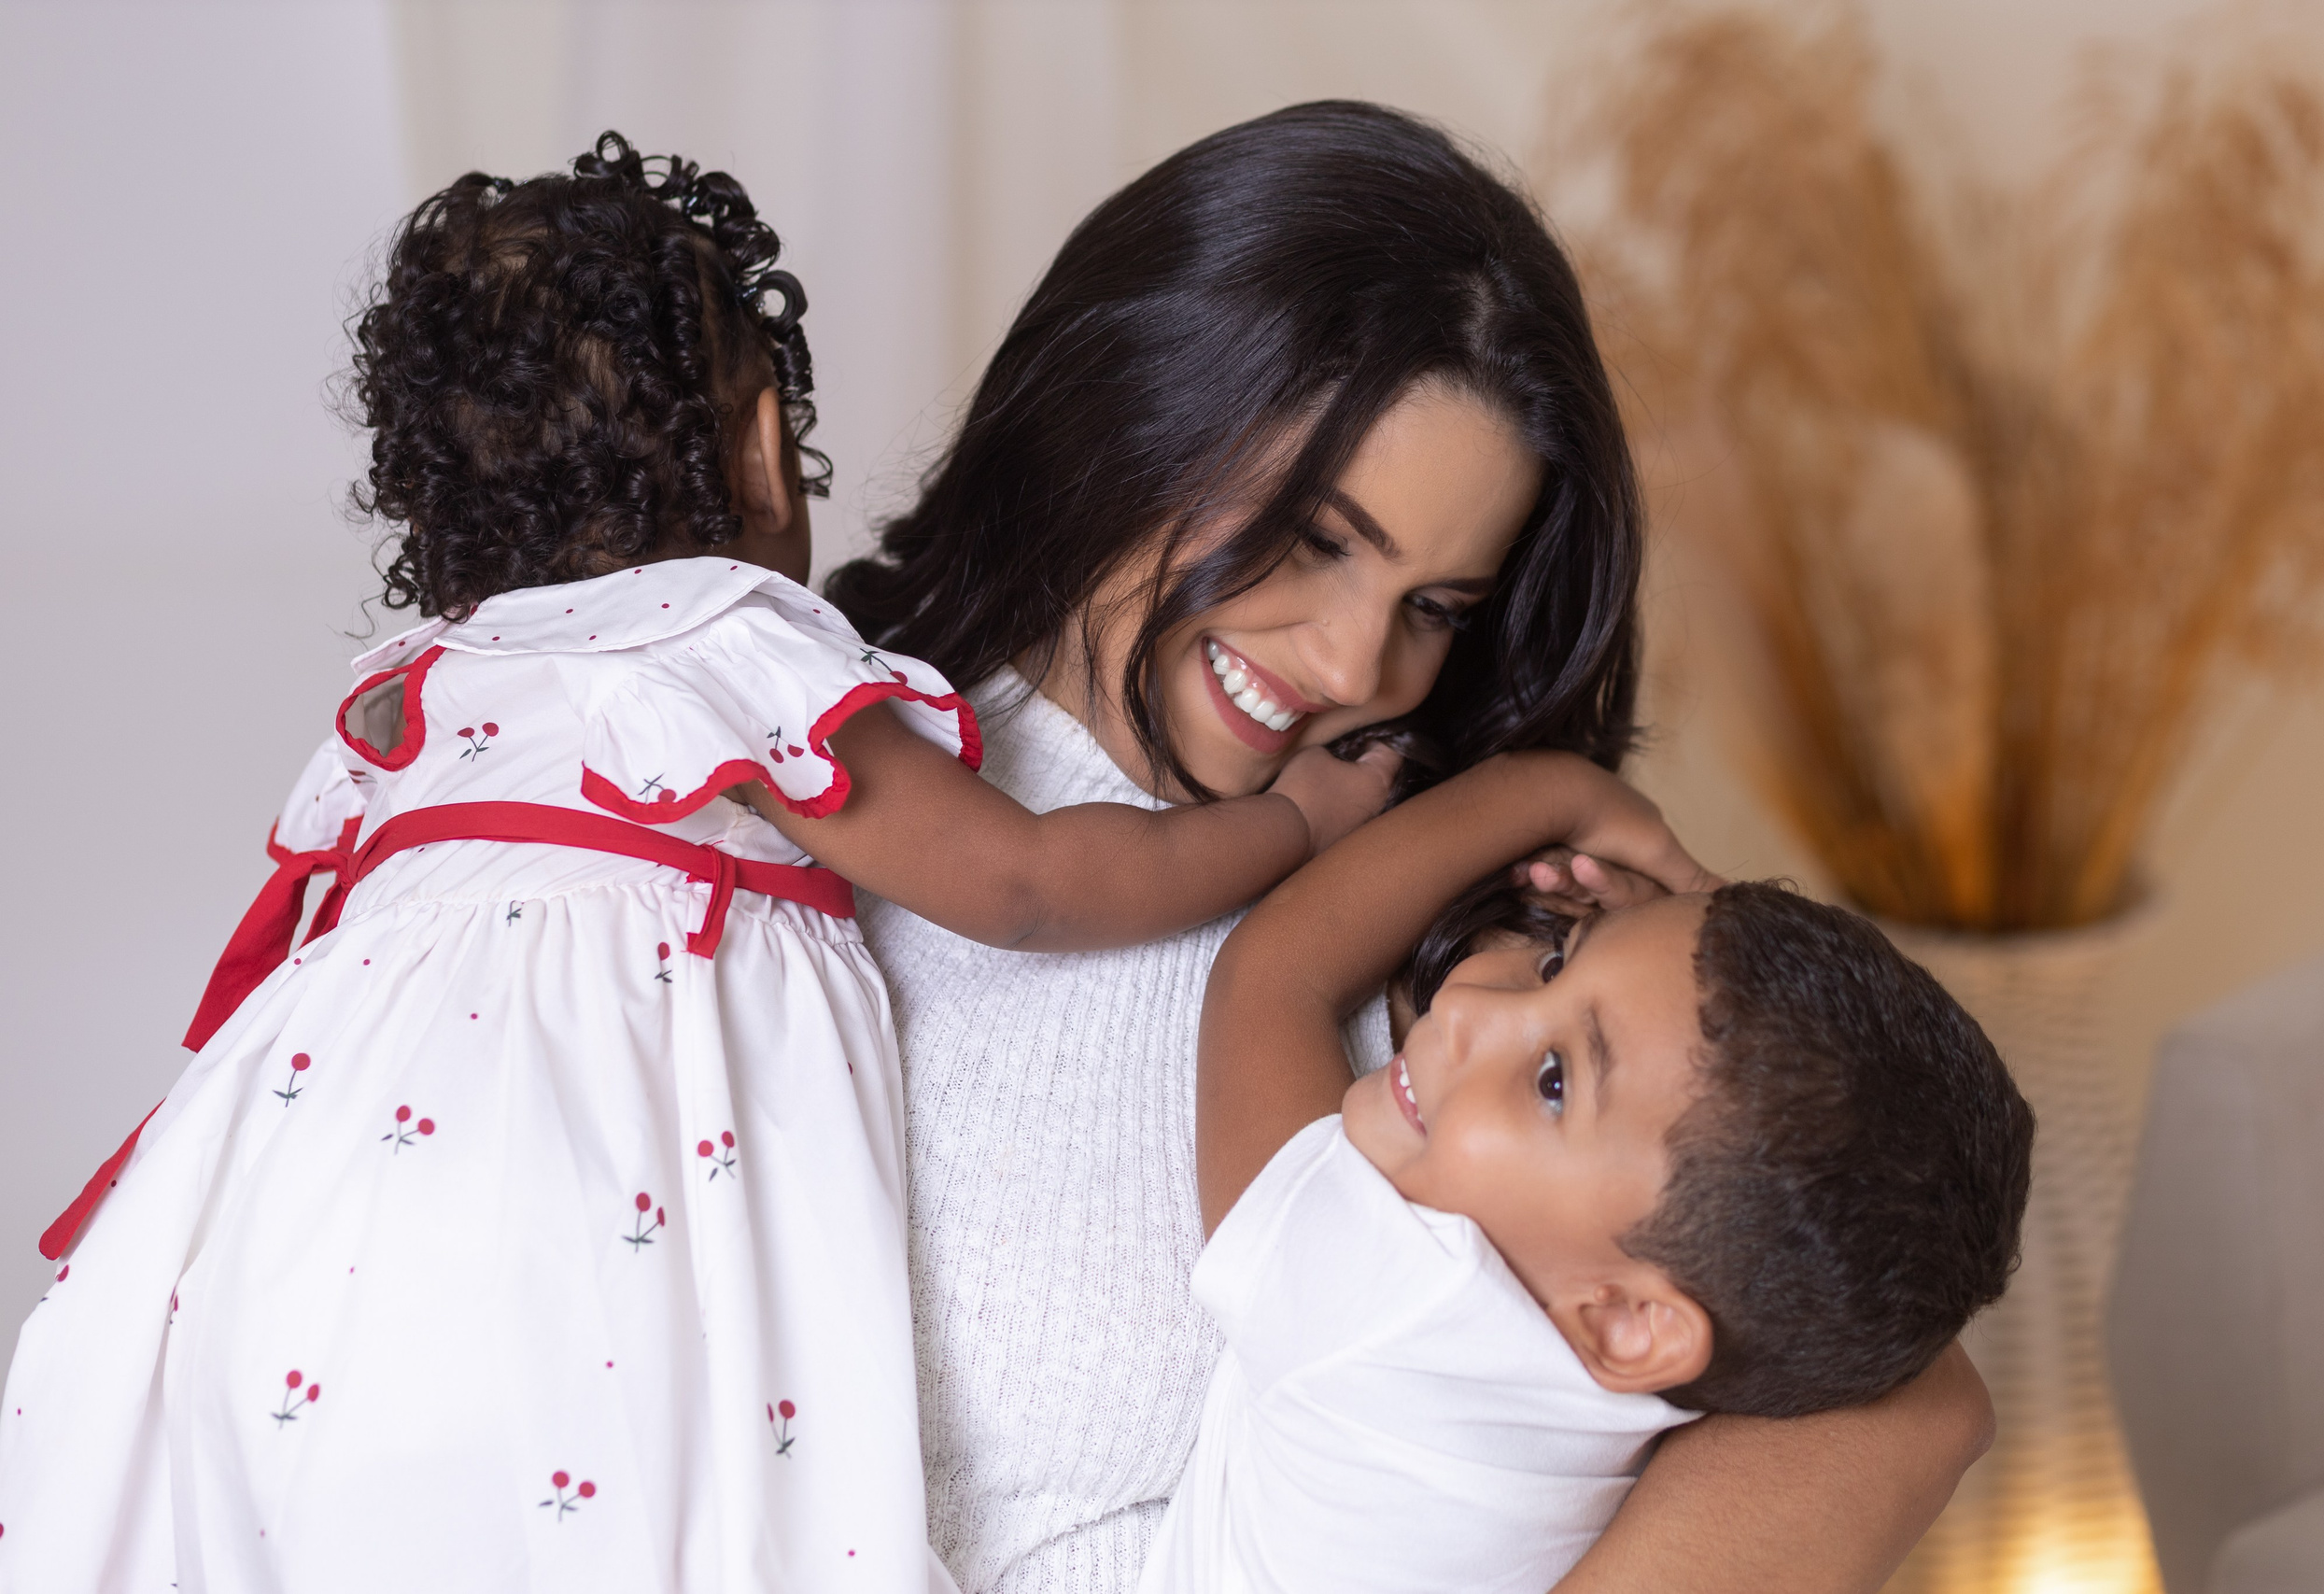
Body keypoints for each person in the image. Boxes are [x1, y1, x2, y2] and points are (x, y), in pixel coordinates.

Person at [0, 134, 1396, 1594]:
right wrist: (1296, 824)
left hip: (298, 1241)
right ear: (763, 448)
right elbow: (1027, 879)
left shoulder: (424, 695)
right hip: (558, 1234)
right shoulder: (717, 645)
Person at [828, 100, 1996, 1594]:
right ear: (1132, 408)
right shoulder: (791, 777)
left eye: (1437, 608)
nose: (1352, 664)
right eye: (1317, 536)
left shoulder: (1465, 954)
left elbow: (1909, 1399)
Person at [1143, 756, 2035, 1593]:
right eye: (1555, 961)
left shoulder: (1381, 1305)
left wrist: (1557, 790)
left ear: (1632, 1323)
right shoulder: (1684, 1356)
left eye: (1554, 1080)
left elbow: (1274, 975)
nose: (1468, 1006)